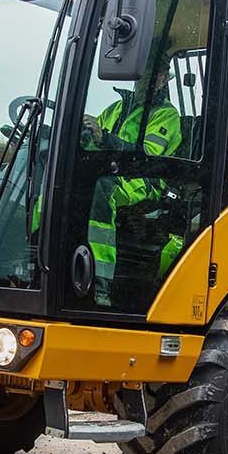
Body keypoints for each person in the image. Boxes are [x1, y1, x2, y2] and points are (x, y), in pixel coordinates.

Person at [82, 66, 183, 307]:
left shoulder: (166, 115)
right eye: (148, 70)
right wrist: (84, 136)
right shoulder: (117, 108)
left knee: (102, 190)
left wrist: (104, 138)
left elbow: (148, 156)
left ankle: (99, 283)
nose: (151, 75)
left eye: (157, 72)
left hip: (144, 180)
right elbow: (96, 143)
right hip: (112, 170)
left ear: (162, 79)